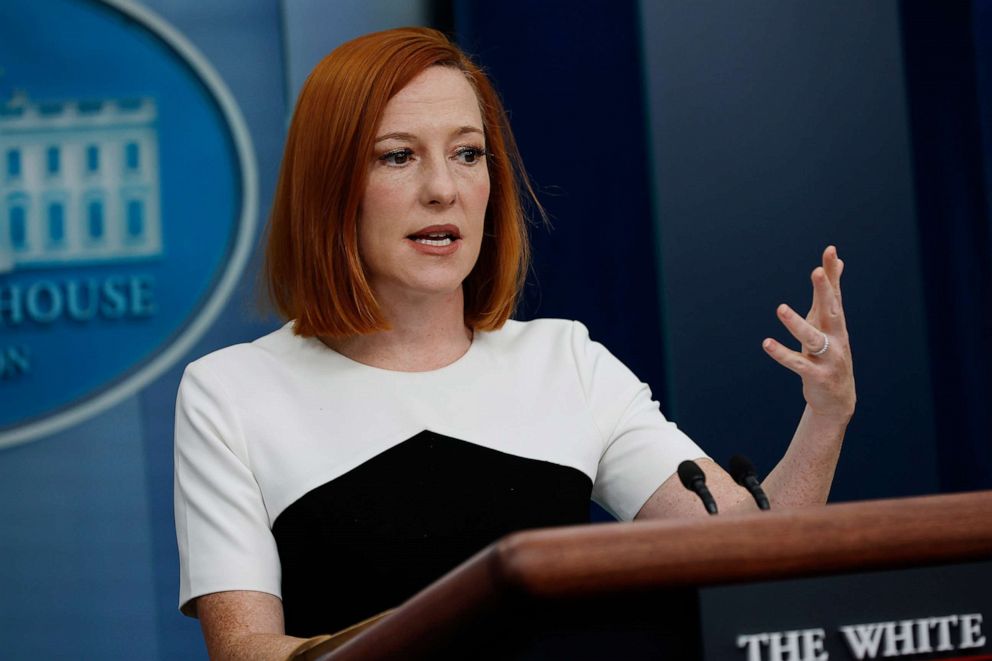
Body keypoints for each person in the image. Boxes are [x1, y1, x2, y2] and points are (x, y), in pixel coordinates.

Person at [173, 27, 855, 660]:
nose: (443, 189)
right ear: (330, 187)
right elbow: (247, 649)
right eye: (398, 156)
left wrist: (826, 416)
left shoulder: (567, 362)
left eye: (468, 153)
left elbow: (751, 554)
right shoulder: (231, 391)